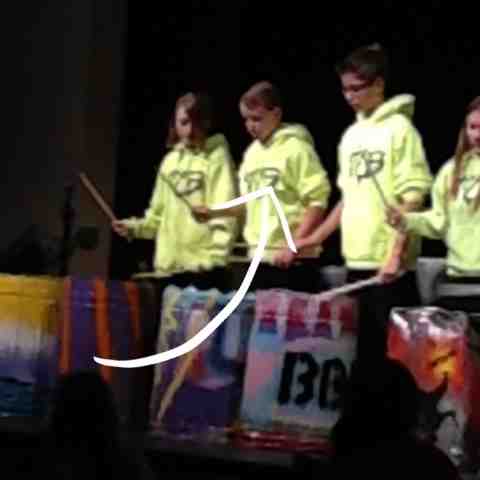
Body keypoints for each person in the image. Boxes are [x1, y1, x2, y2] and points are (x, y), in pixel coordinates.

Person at [285, 44, 433, 368]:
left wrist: (396, 254)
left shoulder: (401, 130)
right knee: (362, 360)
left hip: (390, 268)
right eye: (345, 89)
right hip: (358, 262)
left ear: (378, 84)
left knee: (395, 364)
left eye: (357, 88)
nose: (349, 96)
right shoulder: (351, 135)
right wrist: (314, 238)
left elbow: (413, 197)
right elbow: (347, 198)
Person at [193, 81, 331, 292]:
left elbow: (317, 202)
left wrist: (294, 244)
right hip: (258, 259)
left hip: (293, 262)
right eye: (246, 119)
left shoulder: (297, 149)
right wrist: (213, 212)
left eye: (256, 118)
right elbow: (246, 203)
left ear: (276, 114)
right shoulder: (251, 154)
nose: (250, 126)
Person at [112, 92, 238, 291]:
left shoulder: (218, 157)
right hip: (169, 270)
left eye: (195, 123)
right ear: (175, 123)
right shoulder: (169, 162)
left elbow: (226, 212)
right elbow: (156, 219)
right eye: (184, 122)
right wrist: (134, 228)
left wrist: (216, 259)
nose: (189, 130)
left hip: (203, 270)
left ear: (206, 122)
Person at [387, 96, 480, 313]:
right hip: (457, 283)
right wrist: (405, 220)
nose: (477, 134)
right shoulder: (451, 171)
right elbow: (438, 222)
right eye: (472, 127)